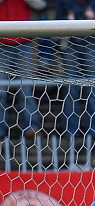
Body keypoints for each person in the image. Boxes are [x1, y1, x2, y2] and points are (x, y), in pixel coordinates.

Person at [56, 0, 95, 139]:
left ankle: (94, 131)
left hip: (92, 42)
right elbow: (57, 19)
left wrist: (94, 18)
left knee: (92, 87)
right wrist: (67, 21)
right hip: (70, 43)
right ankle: (71, 132)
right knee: (71, 88)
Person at [0, 0, 44, 140]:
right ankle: (0, 128)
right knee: (1, 90)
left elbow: (40, 4)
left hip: (24, 41)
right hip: (2, 41)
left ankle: (32, 127)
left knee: (26, 88)